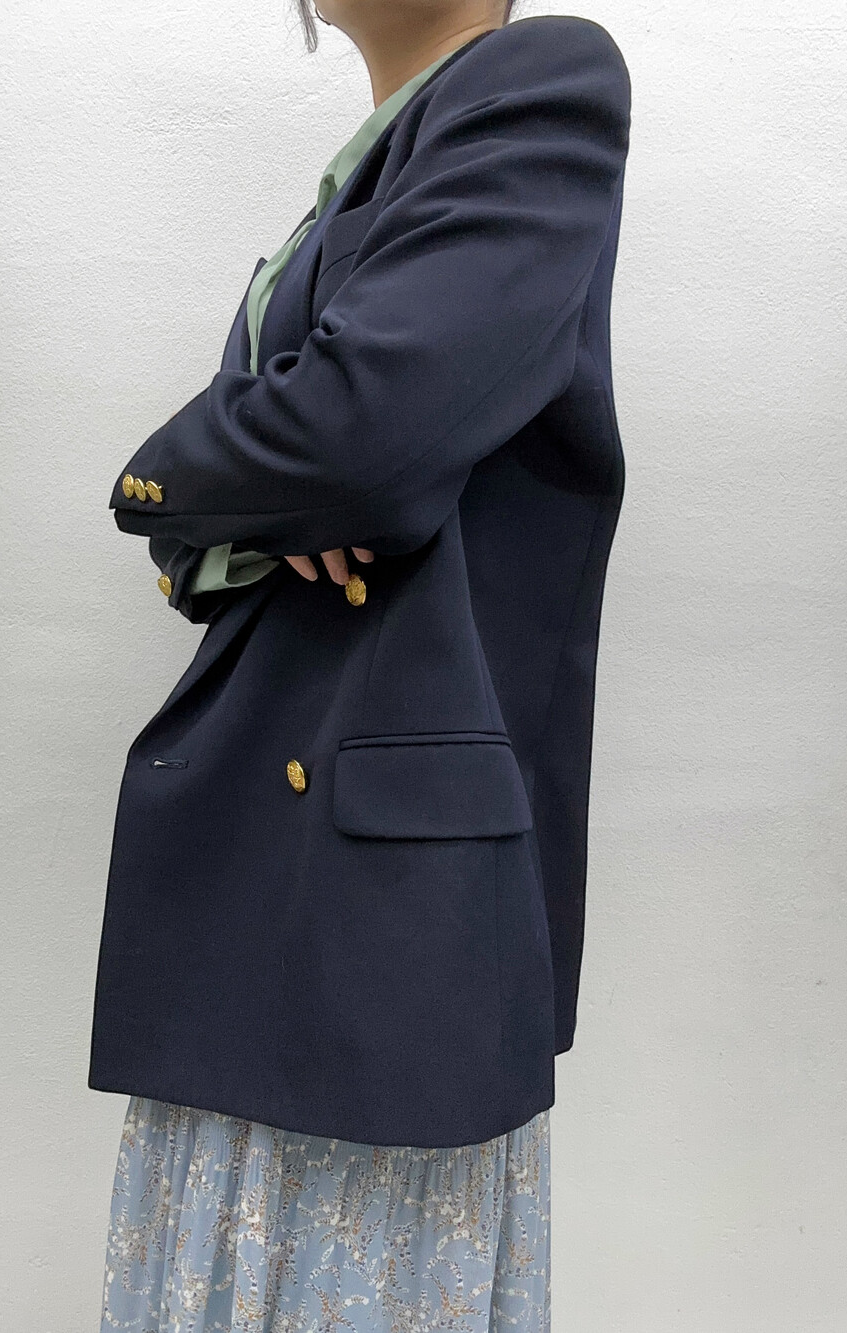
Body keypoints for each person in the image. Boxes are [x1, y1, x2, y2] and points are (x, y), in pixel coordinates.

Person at [93, 1, 630, 1327]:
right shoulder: (354, 188)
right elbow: (252, 506)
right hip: (255, 859)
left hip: (384, 894)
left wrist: (200, 473)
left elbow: (358, 437)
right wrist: (266, 500)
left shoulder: (539, 82)